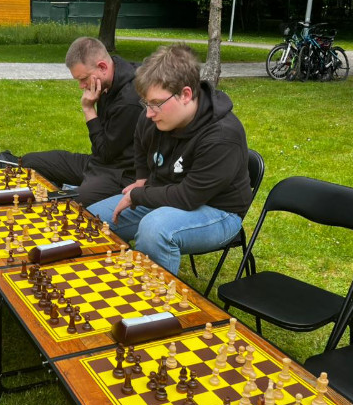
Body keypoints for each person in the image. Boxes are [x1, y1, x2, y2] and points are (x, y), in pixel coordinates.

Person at [87, 44, 251, 276]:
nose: (148, 113)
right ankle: (102, 282)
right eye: (146, 103)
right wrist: (142, 178)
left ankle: (152, 297)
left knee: (155, 230)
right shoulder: (156, 115)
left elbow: (188, 197)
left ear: (185, 94)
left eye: (156, 103)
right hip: (164, 194)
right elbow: (140, 139)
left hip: (218, 211)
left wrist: (138, 194)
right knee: (91, 219)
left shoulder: (222, 136)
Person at [21, 37, 143, 207]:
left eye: (83, 79)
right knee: (30, 162)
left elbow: (105, 153)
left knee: (72, 205)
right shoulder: (108, 78)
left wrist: (89, 109)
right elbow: (100, 154)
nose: (81, 86)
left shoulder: (129, 101)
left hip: (119, 173)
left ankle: (71, 192)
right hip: (96, 162)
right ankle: (67, 188)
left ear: (103, 67)